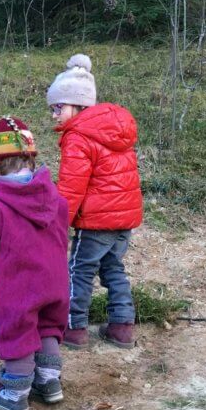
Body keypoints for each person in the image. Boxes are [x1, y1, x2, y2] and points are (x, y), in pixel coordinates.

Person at [0, 116, 70, 410]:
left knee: (18, 333)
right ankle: (49, 382)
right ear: (30, 157)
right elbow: (63, 239)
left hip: (17, 285)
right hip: (55, 280)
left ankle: (14, 393)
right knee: (48, 326)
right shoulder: (55, 197)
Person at [47, 54, 143, 350]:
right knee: (113, 267)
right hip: (124, 219)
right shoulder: (114, 130)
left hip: (97, 221)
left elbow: (71, 188)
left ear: (77, 105)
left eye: (58, 107)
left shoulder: (78, 136)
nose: (54, 114)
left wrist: (58, 224)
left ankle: (74, 328)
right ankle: (122, 326)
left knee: (79, 270)